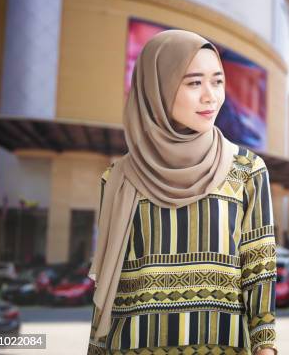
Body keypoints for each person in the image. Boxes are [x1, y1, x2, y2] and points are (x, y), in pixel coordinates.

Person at [86, 30, 278, 355]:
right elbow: (108, 285)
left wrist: (266, 345)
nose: (211, 96)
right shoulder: (118, 178)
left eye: (217, 81)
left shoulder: (247, 170)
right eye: (193, 83)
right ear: (157, 87)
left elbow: (260, 270)